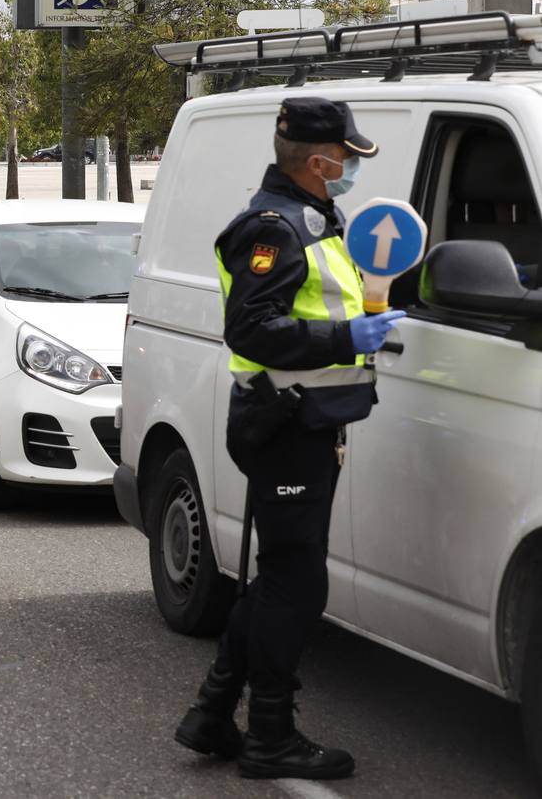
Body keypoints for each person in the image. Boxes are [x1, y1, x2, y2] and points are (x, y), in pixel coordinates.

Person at [174, 98, 406, 781]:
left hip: (302, 421)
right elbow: (250, 330)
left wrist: (367, 315)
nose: (352, 168)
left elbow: (310, 305)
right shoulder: (271, 228)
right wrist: (345, 337)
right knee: (296, 585)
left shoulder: (316, 220)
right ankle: (270, 734)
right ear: (317, 161)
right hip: (283, 423)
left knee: (281, 578)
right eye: (348, 157)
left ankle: (214, 714)